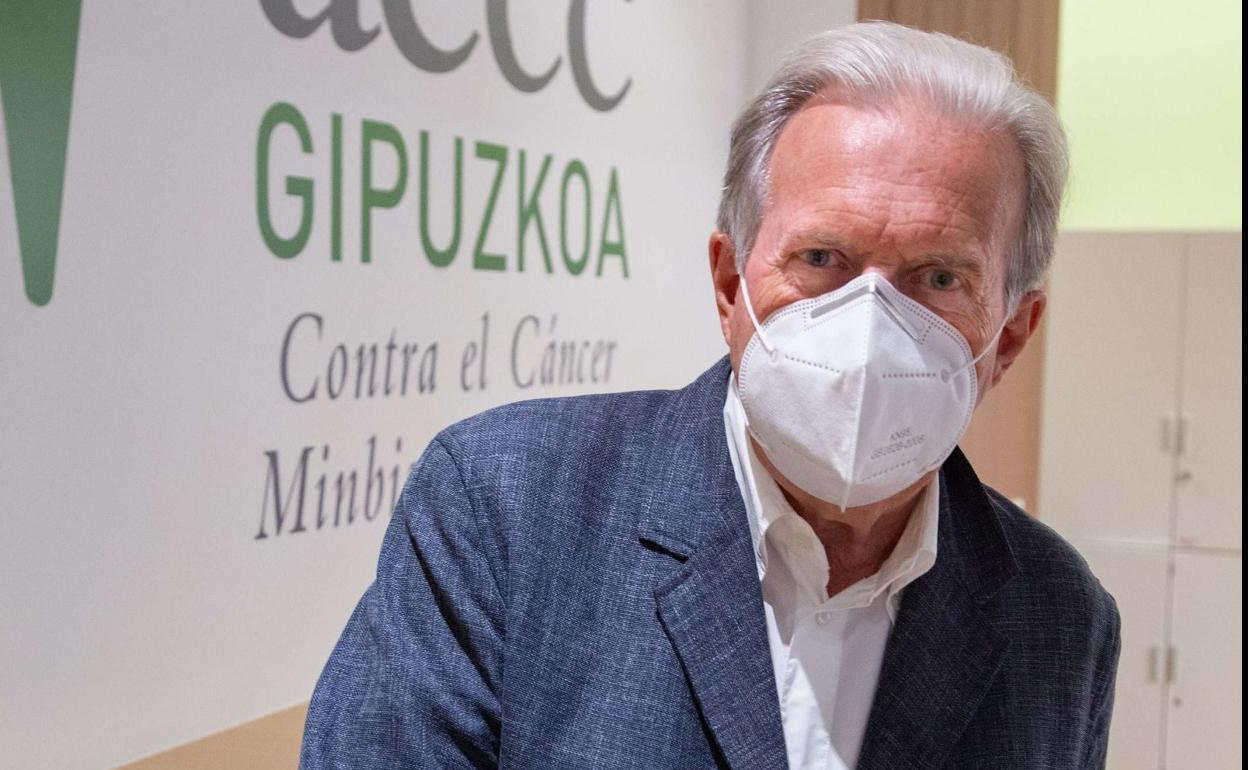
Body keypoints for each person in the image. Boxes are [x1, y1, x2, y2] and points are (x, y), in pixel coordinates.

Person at [301, 22, 1120, 770]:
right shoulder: (506, 509)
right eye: (821, 259)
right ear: (731, 285)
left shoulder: (1061, 619)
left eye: (939, 278)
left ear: (1010, 336)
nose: (870, 326)